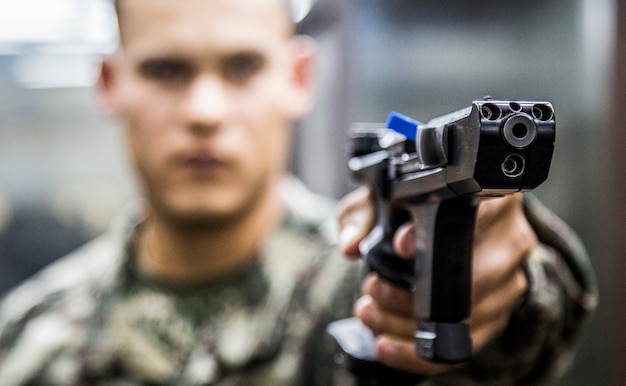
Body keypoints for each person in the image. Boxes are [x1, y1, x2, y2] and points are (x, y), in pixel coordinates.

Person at [0, 0, 596, 385]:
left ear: (299, 77)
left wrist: (504, 284)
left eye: (242, 67)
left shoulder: (358, 285)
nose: (205, 112)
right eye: (167, 70)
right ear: (110, 82)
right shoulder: (28, 340)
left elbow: (525, 332)